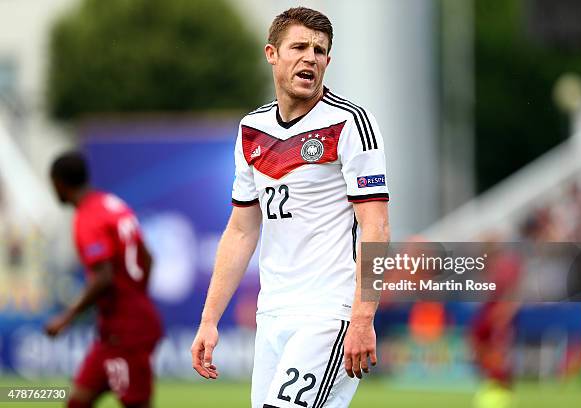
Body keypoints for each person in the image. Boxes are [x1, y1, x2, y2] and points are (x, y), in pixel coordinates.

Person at [191, 7, 390, 407]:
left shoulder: (349, 123)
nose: (310, 57)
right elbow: (242, 230)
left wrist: (363, 317)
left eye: (319, 51)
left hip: (328, 312)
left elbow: (376, 229)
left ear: (328, 62)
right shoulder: (252, 130)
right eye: (299, 46)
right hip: (273, 313)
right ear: (271, 54)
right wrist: (209, 319)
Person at [45, 151, 163, 408]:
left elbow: (103, 277)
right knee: (77, 402)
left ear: (59, 183)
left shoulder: (88, 218)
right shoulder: (111, 204)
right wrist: (137, 296)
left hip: (126, 333)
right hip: (115, 330)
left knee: (136, 404)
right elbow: (148, 259)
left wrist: (66, 317)